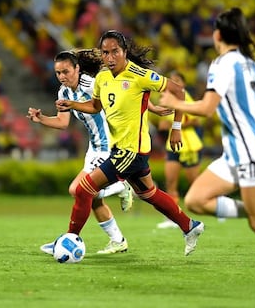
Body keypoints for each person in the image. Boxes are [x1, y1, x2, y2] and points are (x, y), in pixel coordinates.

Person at [159, 8, 255, 304]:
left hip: (251, 155)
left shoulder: (221, 64)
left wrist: (173, 102)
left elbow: (207, 108)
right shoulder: (247, 63)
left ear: (217, 35)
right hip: (238, 152)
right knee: (196, 200)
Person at [55, 30, 205, 257]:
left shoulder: (139, 75)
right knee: (149, 193)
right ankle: (189, 226)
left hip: (132, 150)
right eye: (105, 52)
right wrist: (72, 105)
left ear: (124, 52)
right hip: (120, 149)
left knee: (84, 189)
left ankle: (68, 241)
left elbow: (178, 91)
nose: (110, 57)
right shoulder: (103, 78)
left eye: (115, 51)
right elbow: (95, 107)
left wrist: (176, 128)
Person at [27, 48, 134, 254]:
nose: (62, 77)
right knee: (92, 198)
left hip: (109, 145)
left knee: (78, 190)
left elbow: (109, 104)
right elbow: (62, 122)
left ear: (77, 68)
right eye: (58, 73)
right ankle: (118, 240)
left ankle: (120, 187)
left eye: (66, 71)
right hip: (93, 149)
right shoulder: (64, 92)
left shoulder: (93, 84)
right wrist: (41, 119)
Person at [155, 71, 203, 229]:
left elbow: (195, 121)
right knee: (170, 182)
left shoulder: (185, 98)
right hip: (172, 145)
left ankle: (213, 207)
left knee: (195, 183)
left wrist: (174, 126)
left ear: (183, 84)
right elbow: (164, 122)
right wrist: (164, 125)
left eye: (177, 80)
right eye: (172, 81)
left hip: (189, 145)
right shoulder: (167, 99)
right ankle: (172, 218)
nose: (174, 83)